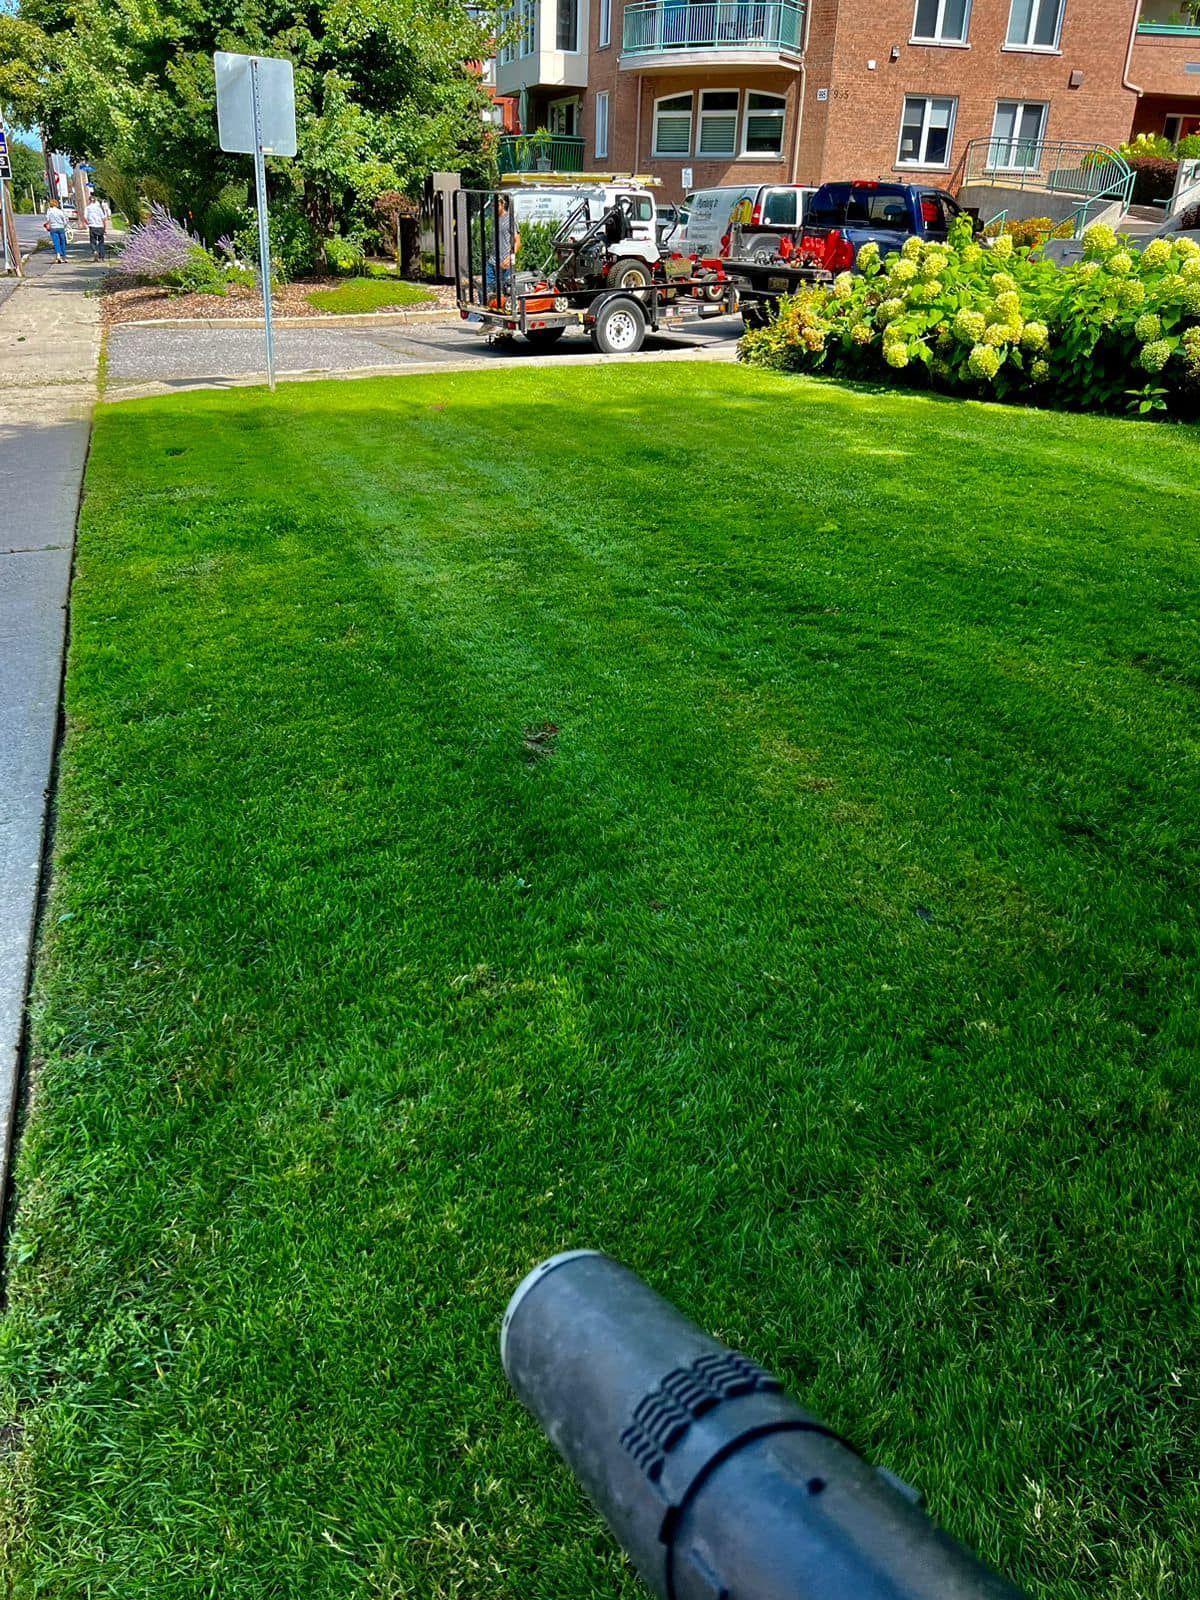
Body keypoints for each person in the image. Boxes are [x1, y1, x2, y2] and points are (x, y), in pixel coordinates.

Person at [486, 193, 520, 304]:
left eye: (496, 205)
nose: (493, 208)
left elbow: (518, 241)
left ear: (503, 204)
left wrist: (510, 258)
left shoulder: (510, 219)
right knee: (489, 289)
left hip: (505, 263)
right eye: (492, 205)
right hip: (493, 261)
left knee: (506, 292)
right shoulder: (495, 219)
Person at [45, 198, 69, 263]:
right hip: (61, 227)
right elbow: (64, 219)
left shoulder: (49, 211)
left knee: (56, 242)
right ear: (57, 204)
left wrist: (48, 224)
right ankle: (64, 257)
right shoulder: (60, 211)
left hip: (53, 228)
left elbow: (47, 219)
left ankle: (58, 255)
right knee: (62, 242)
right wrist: (65, 225)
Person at [84, 194, 108, 261]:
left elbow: (85, 218)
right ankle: (102, 257)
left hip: (92, 226)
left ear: (89, 200)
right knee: (101, 242)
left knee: (93, 240)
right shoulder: (99, 208)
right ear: (95, 201)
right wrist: (105, 228)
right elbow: (103, 219)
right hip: (100, 226)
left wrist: (88, 223)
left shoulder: (87, 208)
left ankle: (94, 250)